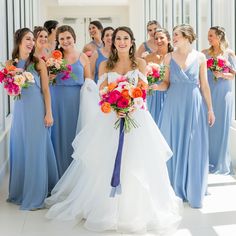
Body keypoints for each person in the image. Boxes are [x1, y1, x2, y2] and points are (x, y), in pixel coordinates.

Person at [45, 26, 182, 234]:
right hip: (111, 119)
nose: (121, 41)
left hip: (137, 119)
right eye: (118, 38)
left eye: (125, 38)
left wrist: (130, 105)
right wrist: (116, 107)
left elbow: (143, 94)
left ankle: (133, 210)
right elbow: (101, 96)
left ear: (131, 41)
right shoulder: (105, 67)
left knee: (135, 162)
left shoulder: (141, 63)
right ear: (114, 42)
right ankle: (106, 208)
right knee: (107, 162)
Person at [155, 24, 215, 208]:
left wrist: (210, 109)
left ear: (187, 37)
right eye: (173, 35)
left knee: (194, 144)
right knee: (173, 141)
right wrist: (156, 86)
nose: (173, 38)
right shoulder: (168, 57)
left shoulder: (200, 57)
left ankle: (193, 187)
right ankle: (174, 187)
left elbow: (204, 85)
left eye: (176, 35)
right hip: (174, 104)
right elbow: (166, 83)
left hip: (194, 104)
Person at [7, 28, 59, 210]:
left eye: (32, 39)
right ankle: (21, 191)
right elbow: (9, 90)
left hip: (37, 110)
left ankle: (37, 192)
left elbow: (45, 90)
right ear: (19, 41)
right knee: (21, 147)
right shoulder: (9, 64)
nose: (31, 43)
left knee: (36, 148)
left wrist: (49, 113)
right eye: (27, 39)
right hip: (20, 111)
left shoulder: (38, 63)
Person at [50, 25, 91, 178]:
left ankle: (75, 177)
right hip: (57, 100)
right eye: (62, 38)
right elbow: (44, 82)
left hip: (77, 101)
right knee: (58, 136)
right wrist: (50, 78)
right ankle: (59, 175)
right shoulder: (53, 58)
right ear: (58, 41)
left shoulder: (83, 57)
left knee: (76, 135)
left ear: (74, 38)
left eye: (68, 37)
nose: (66, 41)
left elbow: (89, 82)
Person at [202, 26, 236, 174]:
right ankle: (206, 160)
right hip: (208, 92)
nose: (209, 38)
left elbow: (233, 74)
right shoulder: (204, 54)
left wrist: (222, 74)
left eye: (211, 36)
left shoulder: (229, 54)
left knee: (222, 126)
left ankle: (221, 162)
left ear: (219, 37)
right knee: (207, 125)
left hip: (223, 93)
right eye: (208, 36)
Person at [145, 28, 174, 124]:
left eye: (162, 38)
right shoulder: (148, 57)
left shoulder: (174, 57)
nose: (159, 41)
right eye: (156, 38)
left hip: (170, 94)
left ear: (168, 39)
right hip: (153, 94)